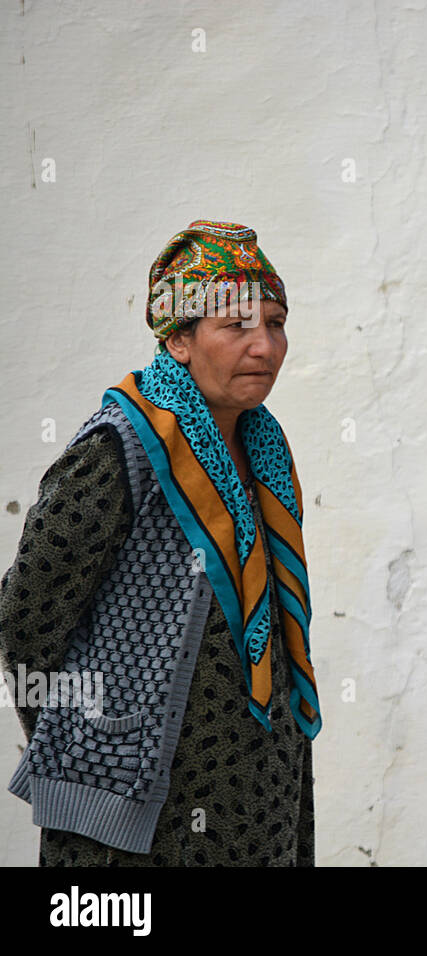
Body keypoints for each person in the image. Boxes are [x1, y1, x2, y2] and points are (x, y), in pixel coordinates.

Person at [0, 220, 322, 866]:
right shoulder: (118, 451)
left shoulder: (263, 447)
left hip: (257, 789)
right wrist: (95, 744)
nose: (265, 346)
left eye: (277, 322)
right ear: (178, 338)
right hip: (140, 813)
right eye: (237, 326)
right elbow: (26, 619)